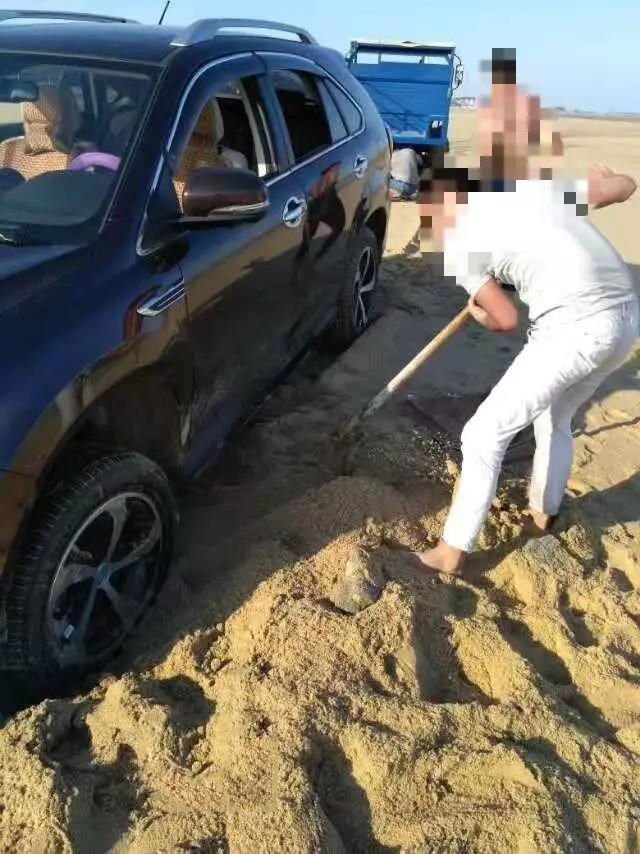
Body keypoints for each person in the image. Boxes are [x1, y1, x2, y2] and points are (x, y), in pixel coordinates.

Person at [414, 72, 638, 575]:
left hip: (575, 328)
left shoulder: (461, 248)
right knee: (555, 419)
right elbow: (624, 187)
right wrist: (607, 178)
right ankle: (542, 515)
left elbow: (506, 318)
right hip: (626, 320)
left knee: (483, 435)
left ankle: (450, 552)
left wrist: (480, 310)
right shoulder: (532, 192)